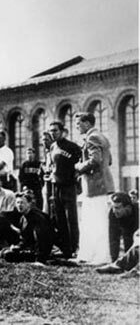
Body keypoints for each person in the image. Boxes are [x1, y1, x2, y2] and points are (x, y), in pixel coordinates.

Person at [74, 112, 114, 264]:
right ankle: (92, 255)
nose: (77, 127)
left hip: (95, 186)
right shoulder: (102, 136)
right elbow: (109, 160)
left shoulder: (92, 137)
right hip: (100, 185)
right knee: (96, 221)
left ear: (87, 123)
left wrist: (79, 166)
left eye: (79, 124)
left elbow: (95, 160)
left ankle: (99, 257)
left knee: (95, 222)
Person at [0, 193, 54, 265]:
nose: (19, 205)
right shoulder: (23, 215)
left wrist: (40, 259)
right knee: (8, 253)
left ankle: (40, 259)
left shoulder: (37, 217)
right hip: (27, 245)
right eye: (18, 203)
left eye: (22, 203)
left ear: (29, 204)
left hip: (36, 250)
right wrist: (18, 245)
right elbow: (2, 215)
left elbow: (43, 238)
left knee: (9, 256)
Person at [48, 121, 81, 259]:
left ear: (62, 131)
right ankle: (65, 248)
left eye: (55, 130)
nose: (53, 133)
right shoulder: (52, 146)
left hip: (68, 185)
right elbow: (52, 165)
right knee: (59, 218)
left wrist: (76, 176)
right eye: (51, 131)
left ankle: (74, 247)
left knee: (71, 218)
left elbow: (80, 162)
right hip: (56, 185)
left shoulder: (72, 147)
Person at [107, 192, 139, 262]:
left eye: (117, 208)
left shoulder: (137, 211)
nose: (114, 211)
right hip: (127, 230)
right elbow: (113, 238)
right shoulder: (113, 213)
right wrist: (114, 260)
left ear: (128, 208)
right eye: (113, 207)